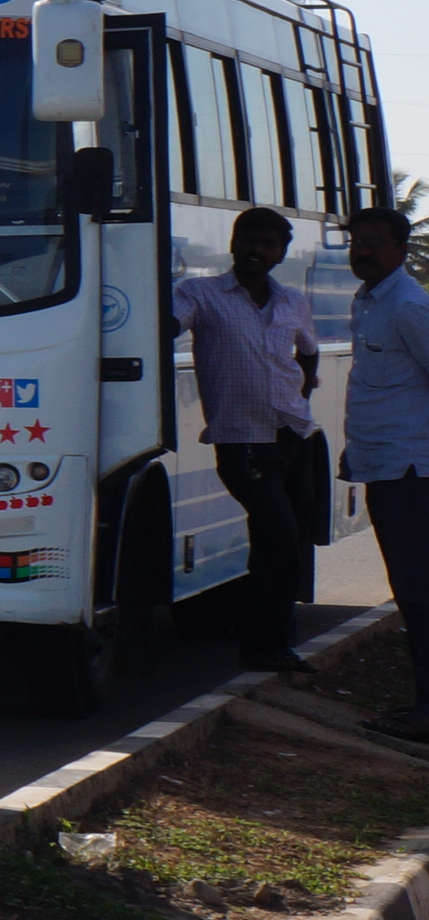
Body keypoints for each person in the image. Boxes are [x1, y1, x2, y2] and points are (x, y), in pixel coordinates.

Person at [174, 204, 323, 676]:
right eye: (249, 239)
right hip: (243, 443)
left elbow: (309, 354)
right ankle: (258, 646)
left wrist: (298, 400)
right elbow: (166, 326)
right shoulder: (199, 294)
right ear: (233, 244)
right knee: (277, 540)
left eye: (268, 243)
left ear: (280, 253)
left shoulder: (292, 300)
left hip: (293, 436)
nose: (256, 249)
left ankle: (276, 644)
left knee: (289, 542)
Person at [343, 205, 429, 740]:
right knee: (412, 592)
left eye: (376, 243)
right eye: (357, 242)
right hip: (385, 466)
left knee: (421, 593)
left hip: (411, 471)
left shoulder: (406, 306)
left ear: (400, 250)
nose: (364, 251)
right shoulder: (368, 301)